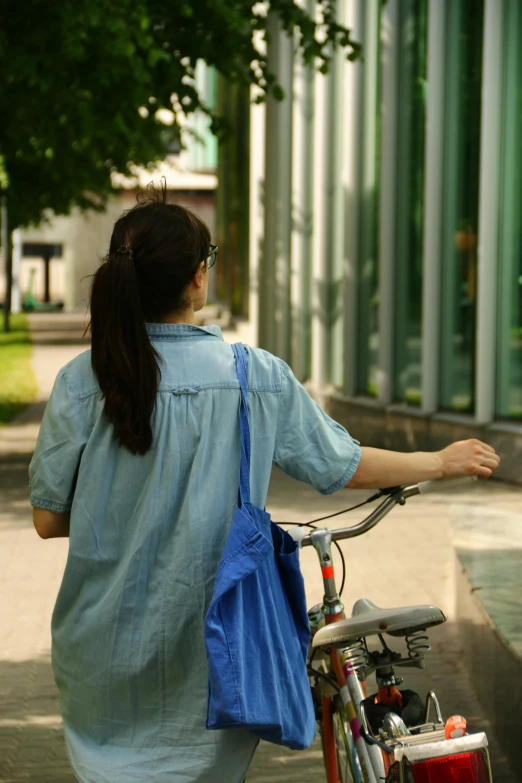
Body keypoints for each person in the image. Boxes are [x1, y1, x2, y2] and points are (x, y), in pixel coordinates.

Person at [29, 185, 500, 783]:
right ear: (198, 278)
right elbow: (342, 466)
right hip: (220, 653)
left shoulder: (80, 380)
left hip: (102, 652)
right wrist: (438, 460)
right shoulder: (255, 377)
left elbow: (46, 520)